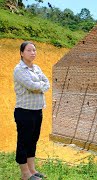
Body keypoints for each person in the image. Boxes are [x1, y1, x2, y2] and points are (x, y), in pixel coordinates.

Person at [13, 41, 50, 180]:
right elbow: (31, 86)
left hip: (37, 110)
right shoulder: (19, 69)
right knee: (23, 141)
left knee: (33, 141)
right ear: (22, 53)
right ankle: (25, 174)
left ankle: (32, 170)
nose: (33, 52)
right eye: (29, 50)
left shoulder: (37, 68)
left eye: (34, 50)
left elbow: (47, 83)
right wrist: (40, 85)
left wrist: (39, 85)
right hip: (24, 111)